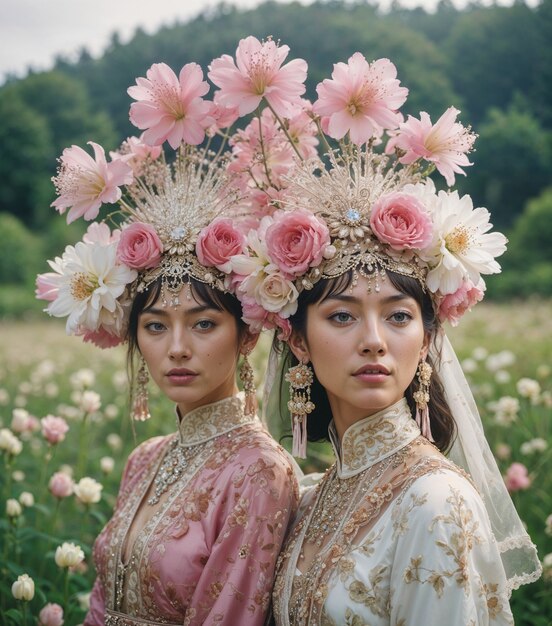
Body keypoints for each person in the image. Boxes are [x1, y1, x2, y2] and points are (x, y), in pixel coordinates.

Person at [226, 49, 543, 625]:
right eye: (342, 317)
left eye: (398, 316)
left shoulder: (435, 503)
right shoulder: (311, 496)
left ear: (427, 339)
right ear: (297, 340)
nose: (374, 340)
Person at [36, 55, 300, 625]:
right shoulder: (144, 458)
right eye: (155, 326)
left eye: (204, 324)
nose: (177, 347)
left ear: (246, 335)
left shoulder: (260, 471)